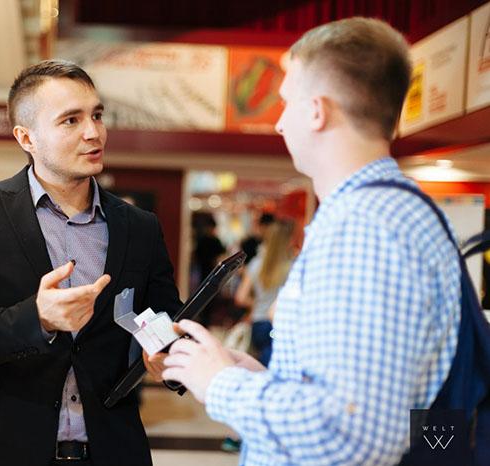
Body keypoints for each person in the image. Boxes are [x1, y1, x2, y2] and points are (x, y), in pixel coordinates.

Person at [159, 17, 461, 465]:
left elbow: (352, 434)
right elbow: (350, 398)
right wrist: (259, 379)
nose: (280, 124)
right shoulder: (385, 212)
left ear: (317, 111)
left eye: (286, 103)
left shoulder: (363, 228)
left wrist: (222, 384)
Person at [0, 60, 181, 466]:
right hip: (2, 450)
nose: (93, 132)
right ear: (26, 137)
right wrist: (37, 318)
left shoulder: (139, 226)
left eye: (97, 115)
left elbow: (162, 317)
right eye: (70, 120)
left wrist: (169, 351)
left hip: (112, 450)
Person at [234, 218, 294, 366]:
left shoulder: (256, 264)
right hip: (281, 324)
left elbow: (240, 297)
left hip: (259, 324)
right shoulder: (293, 266)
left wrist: (257, 303)